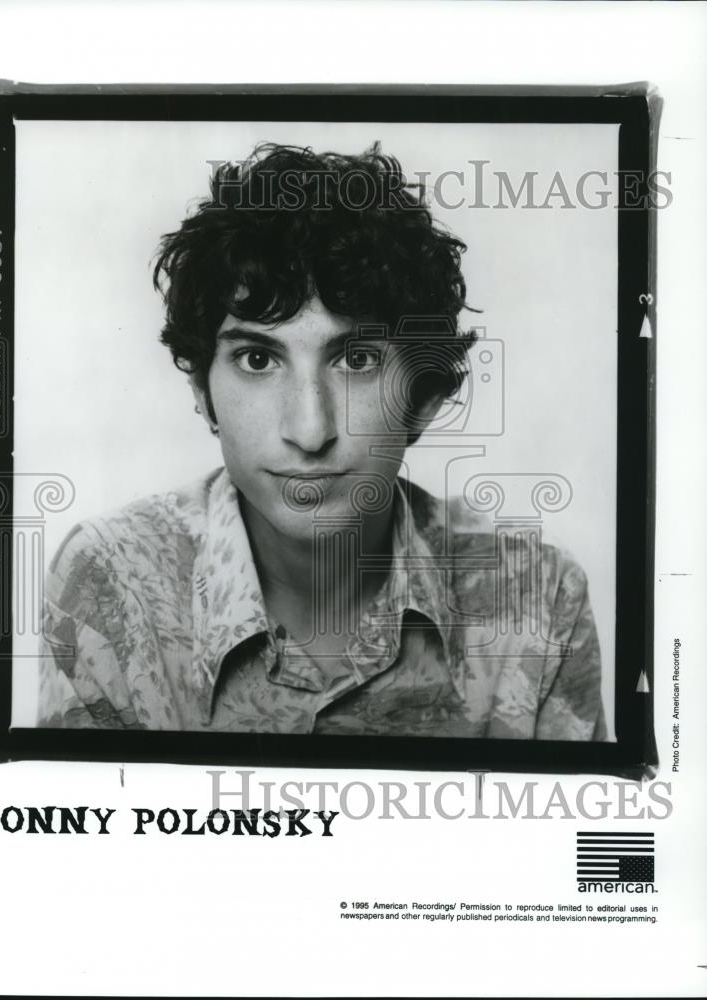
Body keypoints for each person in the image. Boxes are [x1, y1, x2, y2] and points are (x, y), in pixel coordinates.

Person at [37, 142, 606, 740]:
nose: (310, 431)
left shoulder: (538, 602)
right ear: (203, 391)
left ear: (424, 399)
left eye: (355, 359)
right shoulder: (110, 580)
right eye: (258, 359)